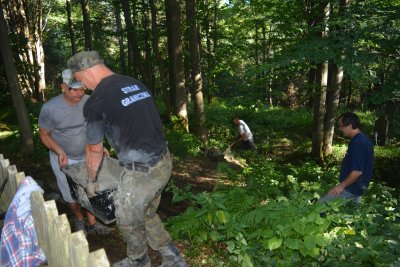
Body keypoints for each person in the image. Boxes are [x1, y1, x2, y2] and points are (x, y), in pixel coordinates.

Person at [67, 51, 187, 267]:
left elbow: (94, 150)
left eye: (79, 79)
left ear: (85, 72)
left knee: (126, 216)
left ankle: (139, 260)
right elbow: (136, 122)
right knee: (146, 211)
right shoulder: (133, 83)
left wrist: (91, 182)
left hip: (142, 171)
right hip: (163, 161)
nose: (81, 85)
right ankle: (173, 257)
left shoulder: (96, 101)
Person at [38, 69, 112, 235]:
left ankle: (93, 224)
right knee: (71, 195)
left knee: (91, 189)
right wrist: (59, 151)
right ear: (63, 87)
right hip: (64, 159)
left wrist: (99, 147)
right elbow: (44, 134)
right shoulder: (50, 108)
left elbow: (94, 127)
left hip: (87, 155)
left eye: (82, 88)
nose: (79, 93)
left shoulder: (89, 101)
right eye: (74, 89)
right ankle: (79, 219)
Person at [319, 112, 374, 204]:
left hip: (351, 188)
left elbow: (357, 171)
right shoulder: (362, 139)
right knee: (350, 215)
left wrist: (340, 186)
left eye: (341, 126)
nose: (340, 129)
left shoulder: (358, 143)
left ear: (349, 126)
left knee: (319, 207)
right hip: (357, 187)